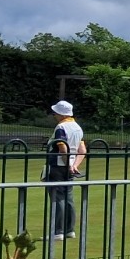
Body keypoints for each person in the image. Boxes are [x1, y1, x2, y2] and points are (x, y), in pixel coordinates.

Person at [47, 100, 86, 240]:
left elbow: (62, 147)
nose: (54, 115)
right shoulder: (77, 127)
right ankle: (69, 230)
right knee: (68, 197)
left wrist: (68, 163)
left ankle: (58, 231)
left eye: (55, 113)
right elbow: (82, 150)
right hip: (69, 166)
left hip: (58, 165)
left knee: (58, 197)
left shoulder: (61, 127)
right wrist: (75, 165)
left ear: (60, 114)